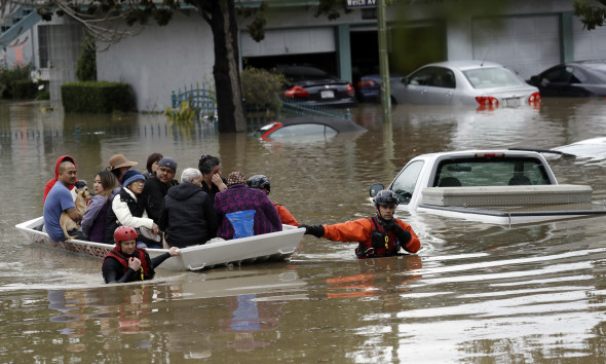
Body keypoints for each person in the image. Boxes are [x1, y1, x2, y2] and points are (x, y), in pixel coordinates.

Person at [300, 190, 421, 259]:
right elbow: (338, 231)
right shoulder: (366, 226)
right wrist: (311, 229)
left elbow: (415, 248)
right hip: (369, 267)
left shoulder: (402, 226)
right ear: (377, 208)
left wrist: (398, 231)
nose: (388, 210)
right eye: (384, 207)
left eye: (391, 207)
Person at [158, 168, 218, 248]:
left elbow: (162, 224)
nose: (201, 185)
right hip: (200, 240)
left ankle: (169, 257)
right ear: (191, 181)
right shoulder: (203, 196)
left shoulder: (167, 197)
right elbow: (213, 223)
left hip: (175, 242)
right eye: (200, 181)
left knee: (164, 234)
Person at [214, 171, 282, 240]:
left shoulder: (220, 196)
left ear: (229, 185)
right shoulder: (259, 193)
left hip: (231, 240)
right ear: (244, 183)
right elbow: (274, 218)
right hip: (261, 237)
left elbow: (217, 222)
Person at [102, 226, 180, 283]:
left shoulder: (139, 253)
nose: (130, 246)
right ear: (118, 244)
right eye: (126, 244)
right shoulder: (111, 261)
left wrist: (168, 254)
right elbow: (112, 287)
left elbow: (149, 264)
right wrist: (131, 270)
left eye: (133, 243)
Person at [104, 170, 161, 247]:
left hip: (136, 235)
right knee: (142, 247)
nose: (141, 185)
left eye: (142, 182)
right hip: (118, 237)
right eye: (137, 182)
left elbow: (144, 216)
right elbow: (126, 221)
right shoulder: (120, 197)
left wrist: (148, 227)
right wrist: (149, 223)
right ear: (129, 185)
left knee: (157, 245)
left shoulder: (140, 197)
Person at [43, 160, 83, 242]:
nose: (73, 175)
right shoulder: (63, 191)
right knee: (90, 235)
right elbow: (75, 216)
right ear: (60, 174)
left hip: (53, 232)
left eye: (75, 173)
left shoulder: (57, 186)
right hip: (60, 234)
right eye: (70, 173)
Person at [80, 171, 121, 242]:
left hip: (96, 239)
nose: (95, 185)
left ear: (108, 184)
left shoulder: (97, 200)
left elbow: (86, 222)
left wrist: (85, 234)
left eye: (99, 182)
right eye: (95, 182)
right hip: (112, 240)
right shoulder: (118, 198)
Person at [141, 157, 179, 223]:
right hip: (155, 223)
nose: (165, 173)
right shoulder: (151, 183)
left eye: (169, 171)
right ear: (157, 169)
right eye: (162, 170)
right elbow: (158, 212)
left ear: (174, 174)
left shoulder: (174, 183)